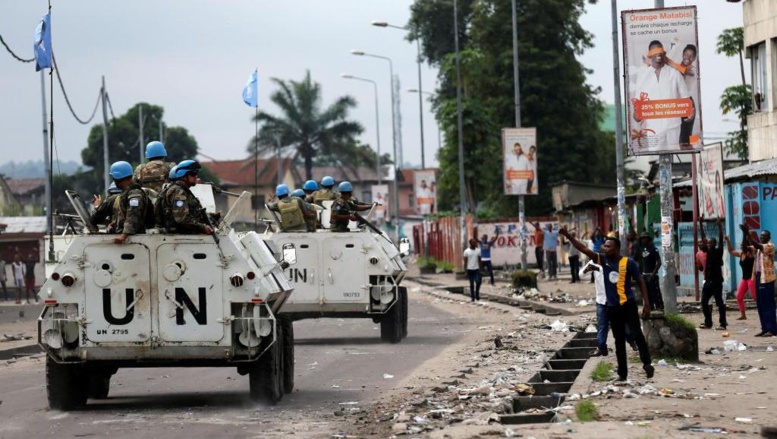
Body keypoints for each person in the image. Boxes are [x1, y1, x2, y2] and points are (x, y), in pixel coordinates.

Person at [561, 226, 654, 381]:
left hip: (628, 304)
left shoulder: (628, 263)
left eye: (608, 246)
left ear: (616, 249)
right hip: (612, 307)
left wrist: (646, 304)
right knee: (618, 342)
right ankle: (622, 375)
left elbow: (641, 282)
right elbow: (583, 249)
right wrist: (568, 236)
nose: (604, 248)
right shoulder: (602, 260)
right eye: (604, 245)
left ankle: (647, 363)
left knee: (637, 334)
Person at [630, 40, 694, 152]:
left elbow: (686, 98)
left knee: (673, 155)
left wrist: (690, 111)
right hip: (653, 127)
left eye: (660, 50)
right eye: (655, 51)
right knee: (655, 156)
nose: (658, 53)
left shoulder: (674, 73)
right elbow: (638, 105)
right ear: (650, 54)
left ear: (663, 52)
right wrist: (637, 114)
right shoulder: (643, 76)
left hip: (673, 126)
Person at [581, 259, 637, 357]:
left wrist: (597, 268)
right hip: (601, 300)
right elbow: (580, 275)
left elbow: (613, 274)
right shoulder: (593, 262)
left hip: (615, 300)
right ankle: (601, 348)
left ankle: (632, 341)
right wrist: (586, 270)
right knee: (602, 325)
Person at [156, 160, 213, 235]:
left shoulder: (182, 190)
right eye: (193, 173)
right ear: (183, 175)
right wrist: (202, 227)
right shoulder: (179, 192)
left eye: (196, 173)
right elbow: (181, 218)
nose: (196, 176)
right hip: (180, 236)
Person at [740, 223, 777, 337]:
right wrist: (744, 234)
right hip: (758, 277)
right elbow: (745, 247)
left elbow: (757, 245)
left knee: (768, 304)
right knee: (760, 304)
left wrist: (748, 233)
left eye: (764, 236)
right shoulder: (758, 248)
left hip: (767, 279)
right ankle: (765, 328)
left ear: (769, 237)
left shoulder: (770, 246)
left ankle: (772, 329)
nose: (762, 238)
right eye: (761, 236)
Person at [109, 161, 153, 244]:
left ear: (117, 177)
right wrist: (114, 223)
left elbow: (133, 214)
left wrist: (124, 236)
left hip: (135, 240)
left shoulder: (134, 193)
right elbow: (125, 213)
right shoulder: (128, 192)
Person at [698, 218, 726, 330]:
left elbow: (720, 238)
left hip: (717, 282)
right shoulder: (707, 251)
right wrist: (700, 223)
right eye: (708, 243)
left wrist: (719, 226)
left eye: (711, 243)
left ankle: (723, 324)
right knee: (704, 302)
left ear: (714, 244)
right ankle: (708, 322)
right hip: (708, 282)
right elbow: (703, 237)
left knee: (719, 303)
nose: (709, 244)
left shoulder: (719, 251)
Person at [725, 235, 756, 321]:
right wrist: (728, 240)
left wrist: (745, 234)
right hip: (744, 279)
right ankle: (743, 315)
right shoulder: (741, 254)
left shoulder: (750, 254)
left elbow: (754, 247)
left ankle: (765, 310)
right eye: (741, 245)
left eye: (743, 245)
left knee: (755, 297)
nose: (741, 246)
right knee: (739, 296)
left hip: (751, 278)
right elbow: (731, 251)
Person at [635, 232, 663, 311]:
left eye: (645, 238)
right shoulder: (641, 249)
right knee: (647, 294)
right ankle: (650, 308)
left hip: (652, 275)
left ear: (648, 239)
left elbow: (659, 262)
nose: (643, 240)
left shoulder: (654, 249)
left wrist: (653, 274)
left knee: (655, 294)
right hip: (644, 275)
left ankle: (659, 308)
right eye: (642, 238)